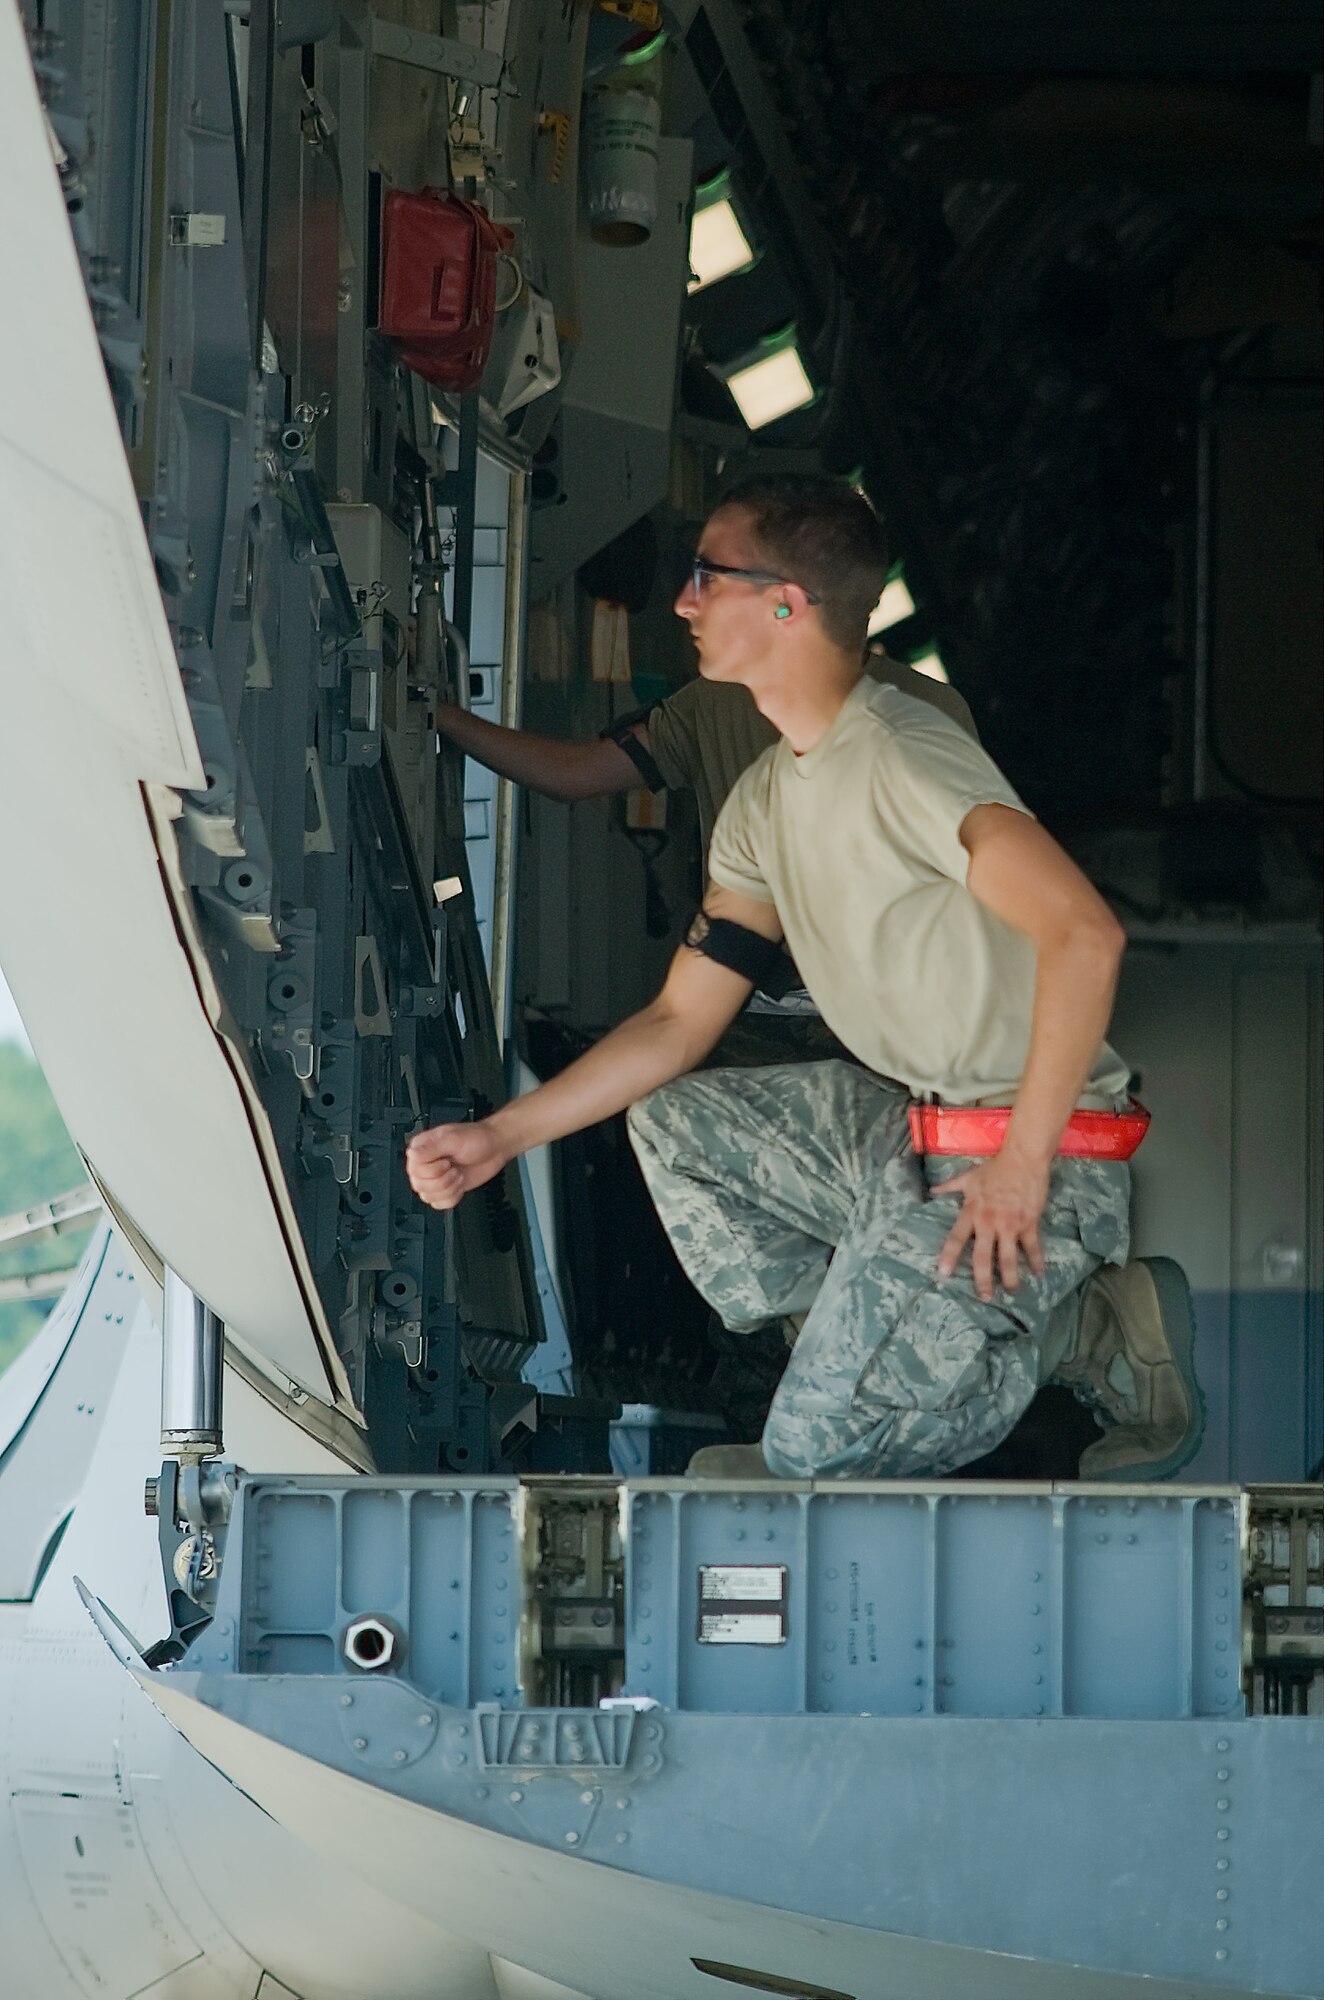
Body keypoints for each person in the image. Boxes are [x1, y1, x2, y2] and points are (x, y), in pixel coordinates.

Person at [408, 476, 1204, 1483]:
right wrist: (498, 1137)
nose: (684, 602)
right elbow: (674, 1021)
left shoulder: (908, 757)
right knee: (672, 1121)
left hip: (1031, 1157)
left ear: (786, 603)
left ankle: (1075, 1332)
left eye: (707, 576)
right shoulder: (765, 797)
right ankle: (850, 1349)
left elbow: (1083, 934)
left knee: (814, 1451)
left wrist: (1021, 1168)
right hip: (904, 1128)